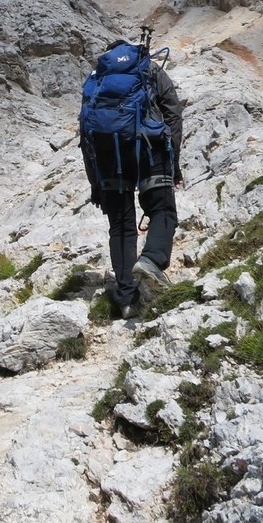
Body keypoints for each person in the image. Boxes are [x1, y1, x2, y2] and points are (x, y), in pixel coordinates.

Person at [80, 36, 184, 319]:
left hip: (109, 157)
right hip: (149, 151)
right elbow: (173, 113)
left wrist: (95, 182)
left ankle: (127, 299)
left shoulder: (96, 78)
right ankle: (151, 259)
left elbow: (85, 133)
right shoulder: (149, 69)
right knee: (162, 209)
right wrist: (173, 163)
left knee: (121, 225)